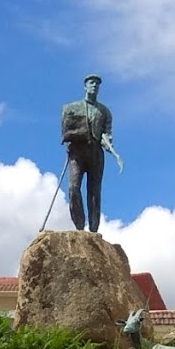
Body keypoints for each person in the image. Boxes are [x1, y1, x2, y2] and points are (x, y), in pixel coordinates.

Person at [60, 74, 122, 232]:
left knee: (94, 192)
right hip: (77, 153)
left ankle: (94, 229)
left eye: (97, 84)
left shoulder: (104, 112)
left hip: (96, 153)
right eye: (91, 83)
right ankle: (79, 226)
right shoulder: (72, 107)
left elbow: (107, 134)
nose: (94, 86)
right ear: (85, 86)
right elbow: (66, 129)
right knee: (73, 188)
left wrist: (109, 145)